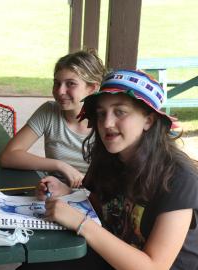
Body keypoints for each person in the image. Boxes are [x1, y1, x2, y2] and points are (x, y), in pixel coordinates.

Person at [32, 70, 198, 269]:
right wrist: (67, 193)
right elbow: (102, 206)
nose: (107, 123)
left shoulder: (179, 178)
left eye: (120, 112)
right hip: (112, 256)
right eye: (101, 114)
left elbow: (155, 267)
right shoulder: (109, 156)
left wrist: (82, 223)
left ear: (149, 120)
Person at [0, 51, 107, 187]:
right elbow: (8, 156)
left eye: (71, 84)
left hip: (94, 199)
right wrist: (60, 166)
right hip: (54, 194)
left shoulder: (106, 122)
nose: (60, 91)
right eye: (57, 83)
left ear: (92, 88)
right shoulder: (49, 111)